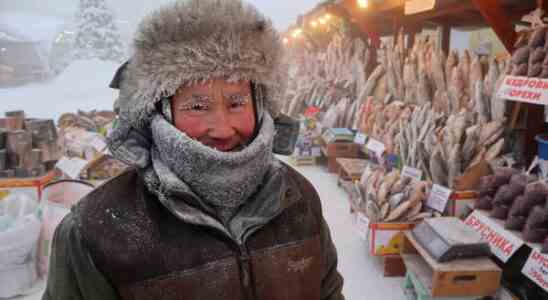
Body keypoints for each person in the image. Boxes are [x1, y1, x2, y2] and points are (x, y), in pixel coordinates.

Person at [43, 0, 344, 299]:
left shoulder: (296, 198)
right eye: (197, 106)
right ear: (157, 111)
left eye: (237, 103)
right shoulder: (95, 232)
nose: (223, 128)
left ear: (261, 103)